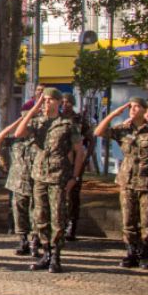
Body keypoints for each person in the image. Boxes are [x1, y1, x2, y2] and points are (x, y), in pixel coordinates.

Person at [13, 88, 84, 273]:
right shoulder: (37, 123)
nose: (46, 103)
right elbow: (18, 133)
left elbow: (79, 152)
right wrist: (34, 109)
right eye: (44, 100)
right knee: (40, 217)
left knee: (58, 218)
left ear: (58, 102)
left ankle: (56, 256)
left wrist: (75, 177)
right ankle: (45, 253)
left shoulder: (67, 124)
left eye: (49, 100)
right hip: (39, 176)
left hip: (59, 176)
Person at [94, 97, 148, 269]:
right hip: (127, 181)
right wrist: (113, 114)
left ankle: (144, 254)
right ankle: (131, 253)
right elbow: (98, 132)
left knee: (147, 221)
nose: (132, 109)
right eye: (131, 106)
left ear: (144, 109)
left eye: (137, 106)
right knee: (128, 221)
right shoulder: (124, 130)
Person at [0, 108, 38, 257]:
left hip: (36, 181)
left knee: (36, 213)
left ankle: (36, 241)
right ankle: (23, 240)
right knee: (19, 213)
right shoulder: (15, 140)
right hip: (17, 182)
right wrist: (17, 121)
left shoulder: (38, 140)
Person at [60, 93, 92, 240]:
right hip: (60, 161)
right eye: (63, 102)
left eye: (68, 102)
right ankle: (60, 223)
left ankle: (72, 226)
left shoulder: (79, 119)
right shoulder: (57, 118)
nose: (65, 104)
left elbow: (91, 139)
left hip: (75, 162)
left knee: (73, 194)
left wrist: (86, 159)